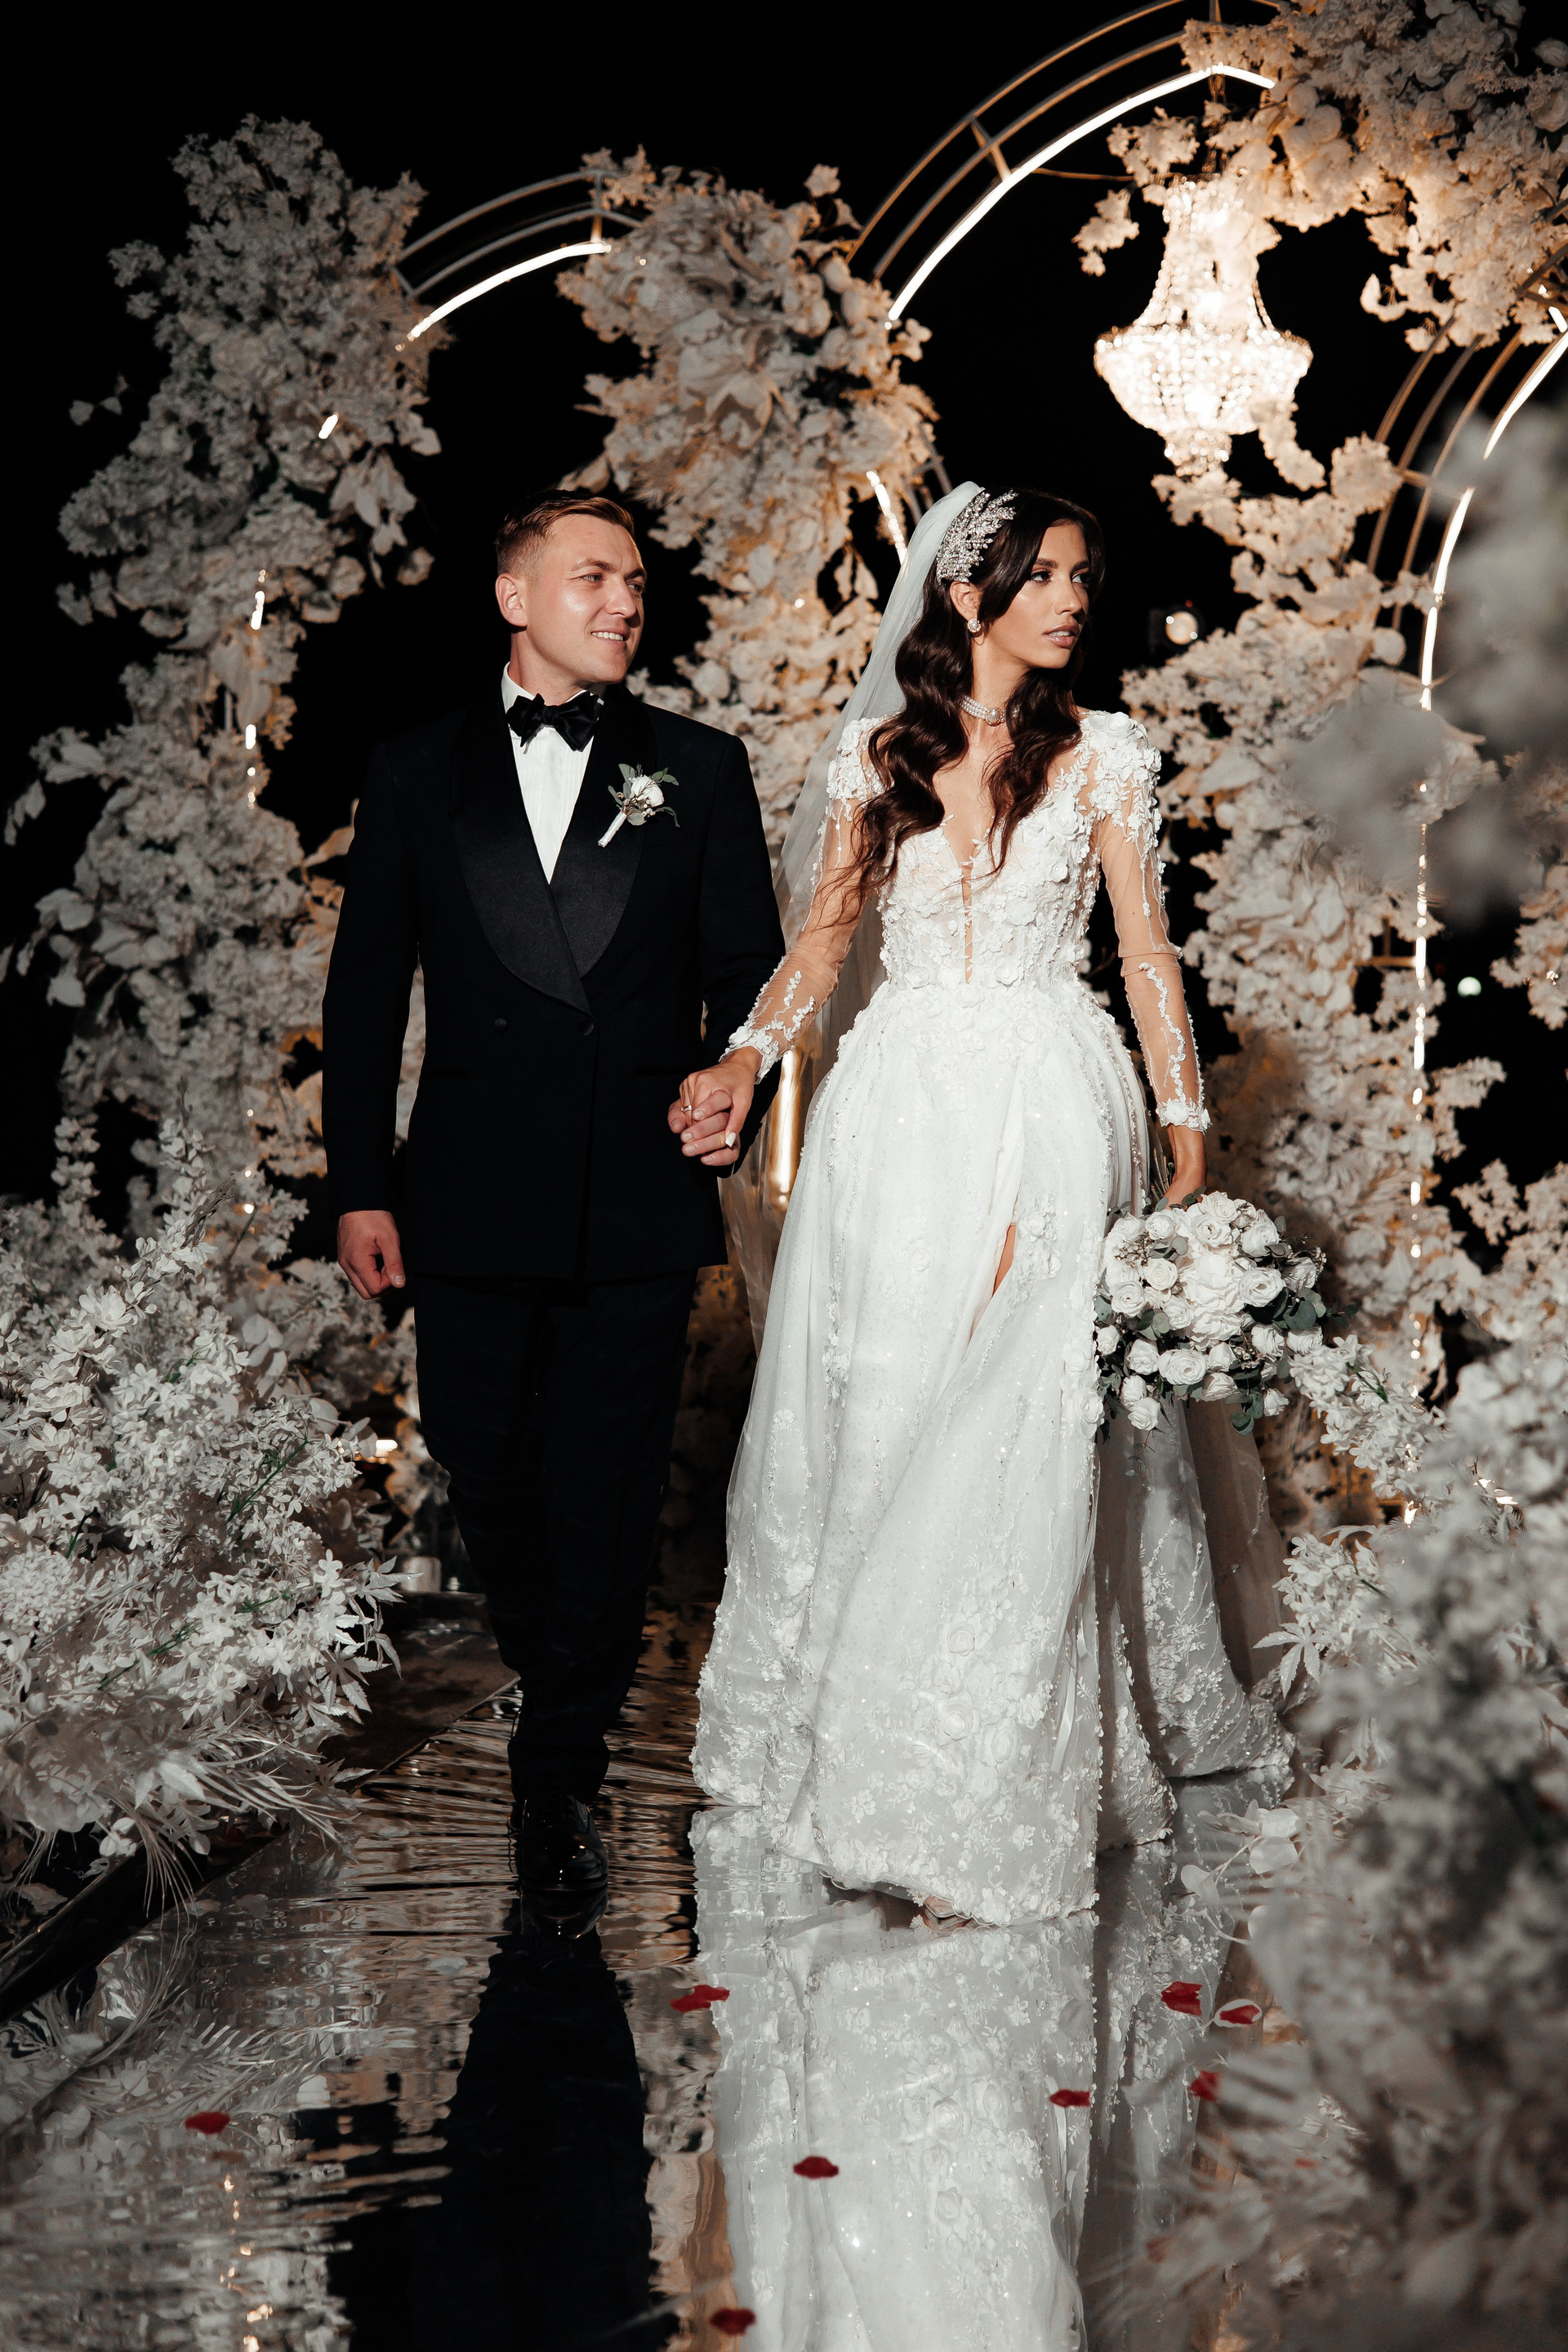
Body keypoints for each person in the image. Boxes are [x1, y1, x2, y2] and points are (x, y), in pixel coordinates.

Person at [690, 483, 1281, 1928]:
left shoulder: (1106, 755)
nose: (1074, 600)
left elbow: (1146, 953)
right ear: (970, 595)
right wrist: (745, 1059)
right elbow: (820, 950)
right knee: (890, 1401)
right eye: (1048, 575)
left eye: (1084, 578)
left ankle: (985, 1778)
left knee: (1021, 1407)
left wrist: (1185, 1112)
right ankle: (857, 1742)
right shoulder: (874, 757)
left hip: (1050, 1095)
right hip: (895, 1115)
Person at [322, 490, 784, 1909]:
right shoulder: (415, 768)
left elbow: (751, 978)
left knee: (609, 1484)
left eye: (636, 580)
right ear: (514, 597)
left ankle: (561, 1762)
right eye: (593, 577)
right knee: (484, 1459)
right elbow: (365, 994)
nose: (625, 601)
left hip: (632, 1186)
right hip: (464, 1186)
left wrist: (733, 1076)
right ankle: (555, 1673)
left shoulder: (696, 767)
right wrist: (359, 1185)